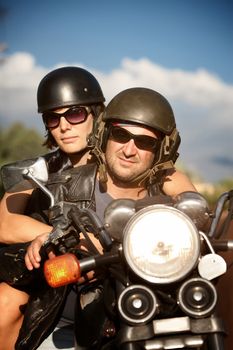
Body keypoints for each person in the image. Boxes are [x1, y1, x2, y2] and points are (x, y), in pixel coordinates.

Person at [9, 87, 197, 349]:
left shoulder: (168, 203)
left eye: (145, 142)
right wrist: (51, 238)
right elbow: (9, 225)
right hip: (65, 328)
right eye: (121, 135)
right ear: (104, 135)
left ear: (162, 150)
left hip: (147, 324)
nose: (129, 150)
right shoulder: (58, 188)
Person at [0, 65, 105, 350]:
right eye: (52, 118)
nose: (64, 125)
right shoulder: (41, 168)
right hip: (57, 301)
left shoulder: (123, 161)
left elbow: (172, 180)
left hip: (118, 290)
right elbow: (5, 223)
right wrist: (65, 236)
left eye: (74, 113)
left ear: (96, 113)